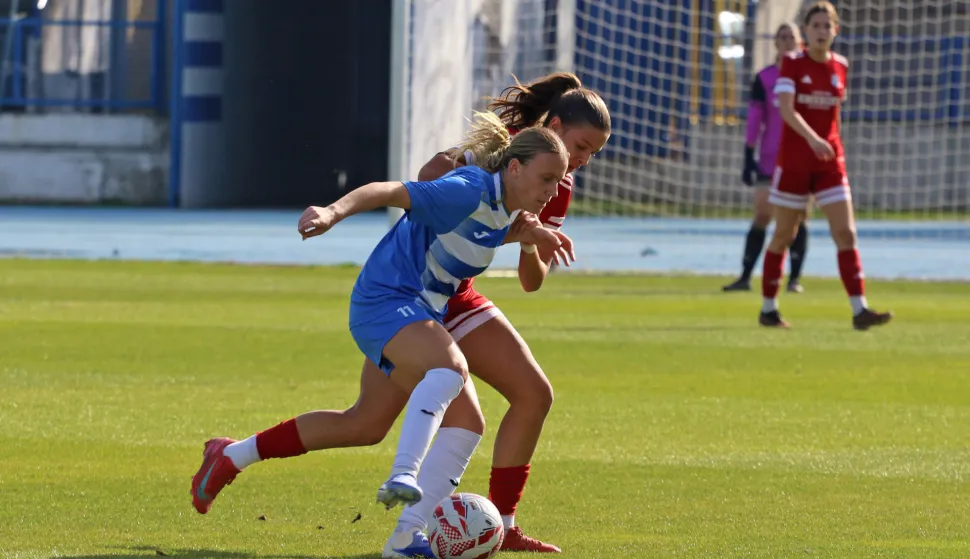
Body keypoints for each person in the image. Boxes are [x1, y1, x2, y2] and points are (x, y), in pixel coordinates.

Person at [189, 116, 568, 535]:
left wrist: (531, 240)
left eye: (559, 181)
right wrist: (332, 212)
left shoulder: (506, 210)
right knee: (450, 371)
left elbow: (485, 239)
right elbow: (389, 191)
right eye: (547, 178)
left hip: (416, 312)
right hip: (386, 301)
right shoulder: (469, 189)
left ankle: (234, 456)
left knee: (377, 424)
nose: (553, 191)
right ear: (514, 168)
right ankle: (403, 475)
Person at [382, 72, 611, 557]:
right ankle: (234, 455)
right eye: (582, 145)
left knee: (534, 394)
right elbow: (425, 180)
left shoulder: (557, 185)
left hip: (456, 295)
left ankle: (502, 525)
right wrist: (459, 160)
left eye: (593, 153)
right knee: (362, 424)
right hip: (411, 291)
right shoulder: (503, 151)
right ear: (553, 124)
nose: (585, 160)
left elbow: (532, 280)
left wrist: (531, 241)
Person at [759, 1, 892, 330]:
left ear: (836, 30)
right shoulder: (792, 62)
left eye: (826, 26)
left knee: (846, 233)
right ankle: (768, 308)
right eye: (815, 26)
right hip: (795, 162)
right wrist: (813, 139)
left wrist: (830, 144)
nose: (821, 31)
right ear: (806, 31)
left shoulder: (840, 66)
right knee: (783, 236)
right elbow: (787, 110)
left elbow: (835, 116)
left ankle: (860, 309)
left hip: (830, 162)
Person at [723, 23, 809, 294]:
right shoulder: (765, 78)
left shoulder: (808, 76)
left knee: (799, 216)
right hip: (770, 158)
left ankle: (794, 279)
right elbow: (755, 120)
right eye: (781, 37)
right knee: (762, 213)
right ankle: (745, 276)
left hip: (801, 157)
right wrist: (749, 154)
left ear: (799, 42)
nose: (786, 41)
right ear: (775, 43)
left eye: (791, 37)